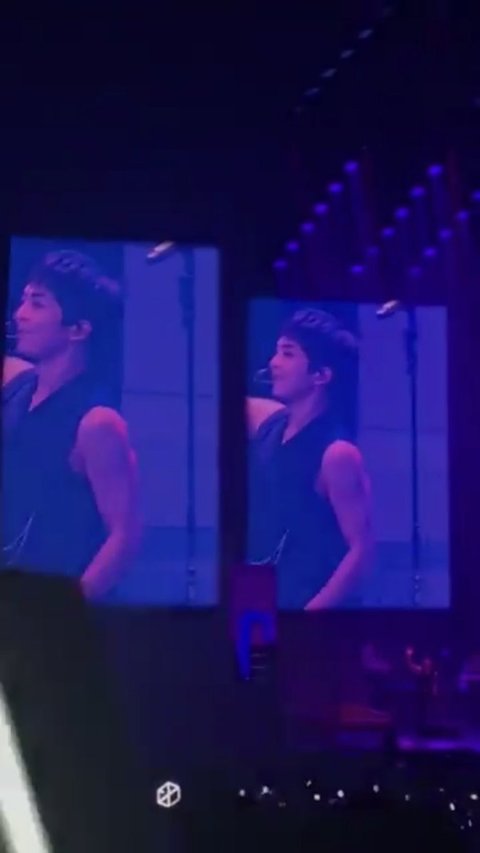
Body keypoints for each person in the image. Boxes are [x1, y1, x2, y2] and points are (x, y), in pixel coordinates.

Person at [1, 249, 141, 600]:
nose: (20, 314)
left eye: (37, 304)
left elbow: (125, 536)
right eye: (23, 300)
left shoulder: (97, 423)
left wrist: (68, 611)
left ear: (78, 329)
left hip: (45, 607)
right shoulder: (16, 385)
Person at [246, 308, 373, 610]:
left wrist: (309, 615)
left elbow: (361, 550)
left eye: (287, 354)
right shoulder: (271, 423)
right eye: (276, 351)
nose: (273, 363)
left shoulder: (337, 454)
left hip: (306, 603)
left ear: (321, 375)